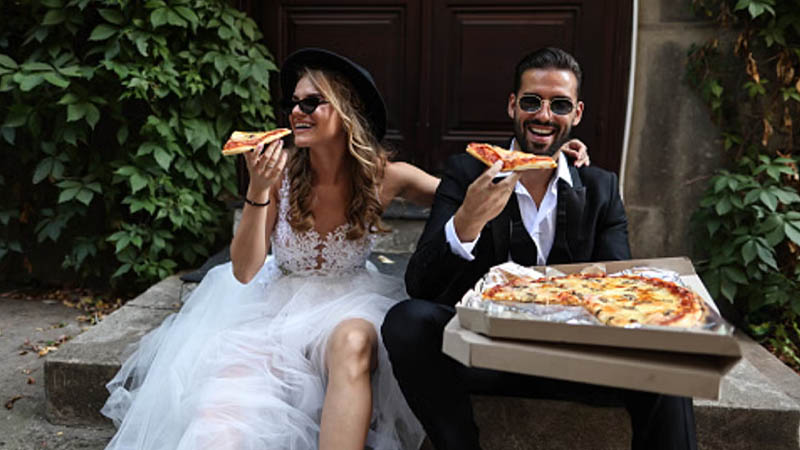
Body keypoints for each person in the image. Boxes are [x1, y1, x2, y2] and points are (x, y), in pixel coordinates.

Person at [100, 48, 440, 450]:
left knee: (353, 343)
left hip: (351, 302)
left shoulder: (387, 177)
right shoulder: (278, 177)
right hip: (275, 305)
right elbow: (244, 271)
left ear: (346, 110)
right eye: (293, 103)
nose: (296, 111)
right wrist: (257, 191)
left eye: (312, 102)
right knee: (222, 405)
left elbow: (462, 200)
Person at [381, 47, 698, 450]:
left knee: (671, 361)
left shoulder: (600, 189)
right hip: (484, 355)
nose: (544, 115)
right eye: (532, 101)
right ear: (513, 105)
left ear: (577, 114)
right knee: (406, 320)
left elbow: (621, 293)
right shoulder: (467, 173)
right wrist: (468, 222)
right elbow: (420, 286)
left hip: (574, 363)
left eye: (559, 104)